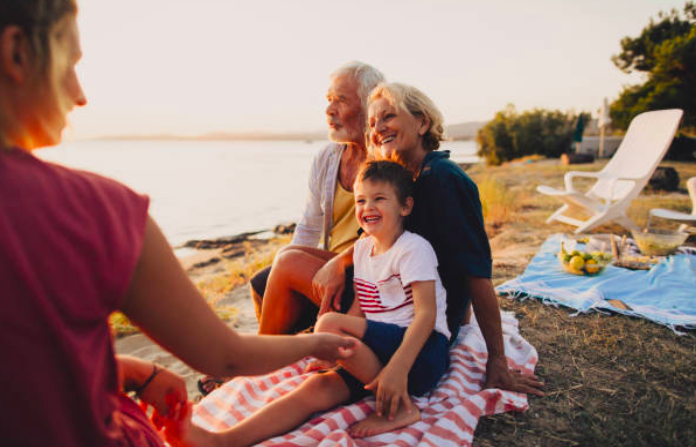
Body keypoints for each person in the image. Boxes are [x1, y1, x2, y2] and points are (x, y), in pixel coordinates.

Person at [0, 1, 356, 445]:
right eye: (70, 65)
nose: (80, 94)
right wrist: (317, 344)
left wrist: (130, 369)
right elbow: (225, 355)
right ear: (17, 53)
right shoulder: (96, 211)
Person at [173, 160, 451, 446]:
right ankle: (225, 440)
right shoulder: (364, 249)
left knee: (329, 322)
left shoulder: (413, 249)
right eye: (361, 200)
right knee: (317, 386)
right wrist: (338, 353)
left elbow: (426, 315)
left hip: (421, 354)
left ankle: (402, 408)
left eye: (379, 199)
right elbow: (362, 308)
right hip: (380, 357)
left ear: (405, 206)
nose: (368, 207)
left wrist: (398, 369)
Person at [312, 82, 545, 397]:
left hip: (413, 318)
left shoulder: (444, 180)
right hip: (384, 297)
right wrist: (340, 262)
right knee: (277, 271)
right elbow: (369, 238)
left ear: (422, 122)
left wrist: (498, 360)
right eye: (372, 123)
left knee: (289, 266)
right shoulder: (404, 176)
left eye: (388, 117)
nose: (378, 129)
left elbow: (477, 272)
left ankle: (259, 358)